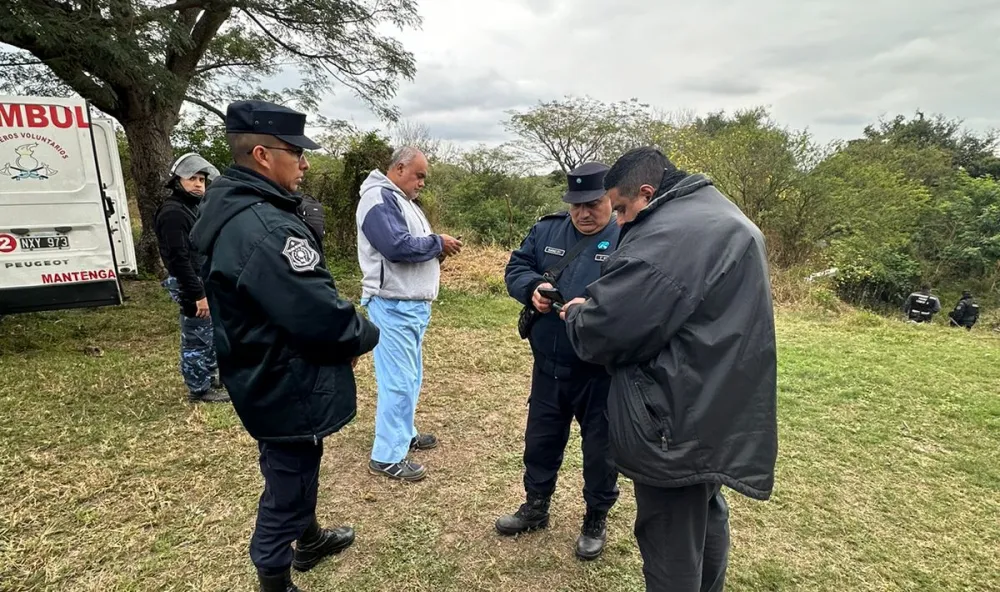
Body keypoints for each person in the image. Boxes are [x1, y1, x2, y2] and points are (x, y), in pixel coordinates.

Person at [560, 147, 778, 592]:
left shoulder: (671, 237)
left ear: (646, 192)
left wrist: (580, 312)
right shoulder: (718, 212)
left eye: (620, 209)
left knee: (669, 541)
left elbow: (607, 331)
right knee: (705, 520)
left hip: (675, 418)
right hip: (714, 403)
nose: (618, 221)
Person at [190, 100, 380, 592]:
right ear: (261, 154)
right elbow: (317, 314)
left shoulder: (236, 208)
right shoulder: (265, 226)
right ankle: (274, 577)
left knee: (294, 462)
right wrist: (365, 331)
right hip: (284, 376)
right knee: (287, 480)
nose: (305, 162)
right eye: (296, 152)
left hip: (261, 366)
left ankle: (310, 538)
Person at [497, 162, 621, 560]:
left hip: (599, 372)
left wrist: (597, 306)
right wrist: (532, 287)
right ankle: (536, 506)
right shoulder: (548, 229)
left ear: (611, 199)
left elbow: (639, 297)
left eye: (594, 203)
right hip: (548, 366)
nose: (584, 213)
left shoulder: (630, 236)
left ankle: (595, 517)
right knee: (541, 440)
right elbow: (517, 266)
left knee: (600, 451)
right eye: (576, 205)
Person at [355, 146, 463, 481]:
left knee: (411, 377)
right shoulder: (377, 197)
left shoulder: (400, 200)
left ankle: (404, 434)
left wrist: (436, 251)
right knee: (398, 380)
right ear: (399, 168)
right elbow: (396, 246)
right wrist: (437, 243)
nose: (421, 183)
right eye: (419, 175)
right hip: (392, 304)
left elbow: (411, 246)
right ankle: (386, 456)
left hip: (410, 304)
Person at [153, 152, 229, 404]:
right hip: (190, 281)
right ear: (177, 181)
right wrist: (197, 294)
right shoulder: (173, 212)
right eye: (191, 178)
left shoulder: (192, 207)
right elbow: (178, 259)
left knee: (208, 333)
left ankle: (210, 377)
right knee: (196, 336)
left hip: (200, 278)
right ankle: (199, 389)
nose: (198, 184)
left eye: (201, 179)